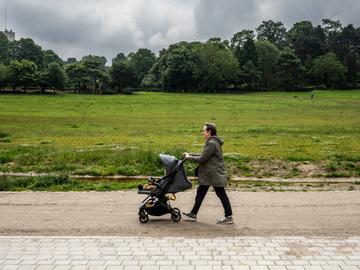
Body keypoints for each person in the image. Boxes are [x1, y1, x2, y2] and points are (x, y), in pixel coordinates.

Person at [183, 123, 233, 224]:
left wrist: (189, 157)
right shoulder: (212, 142)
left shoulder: (212, 143)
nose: (202, 133)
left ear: (209, 132)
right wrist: (190, 154)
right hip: (210, 174)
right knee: (200, 193)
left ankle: (229, 216)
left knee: (221, 194)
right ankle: (193, 213)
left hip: (213, 174)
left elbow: (202, 158)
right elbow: (204, 155)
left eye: (203, 131)